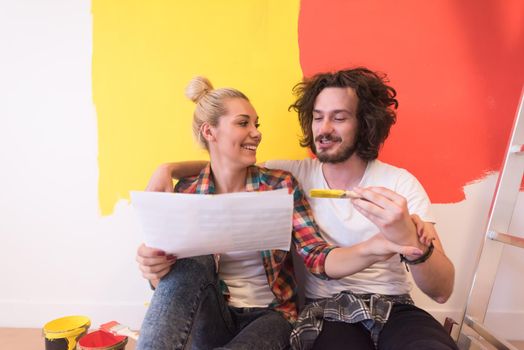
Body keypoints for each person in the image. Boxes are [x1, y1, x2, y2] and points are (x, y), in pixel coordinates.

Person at [146, 68, 457, 350]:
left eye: (338, 117)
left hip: (363, 308)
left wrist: (407, 243)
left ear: (364, 123)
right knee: (192, 258)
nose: (324, 128)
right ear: (208, 132)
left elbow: (440, 290)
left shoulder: (284, 182)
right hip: (300, 311)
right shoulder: (194, 189)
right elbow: (222, 167)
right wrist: (168, 169)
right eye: (318, 116)